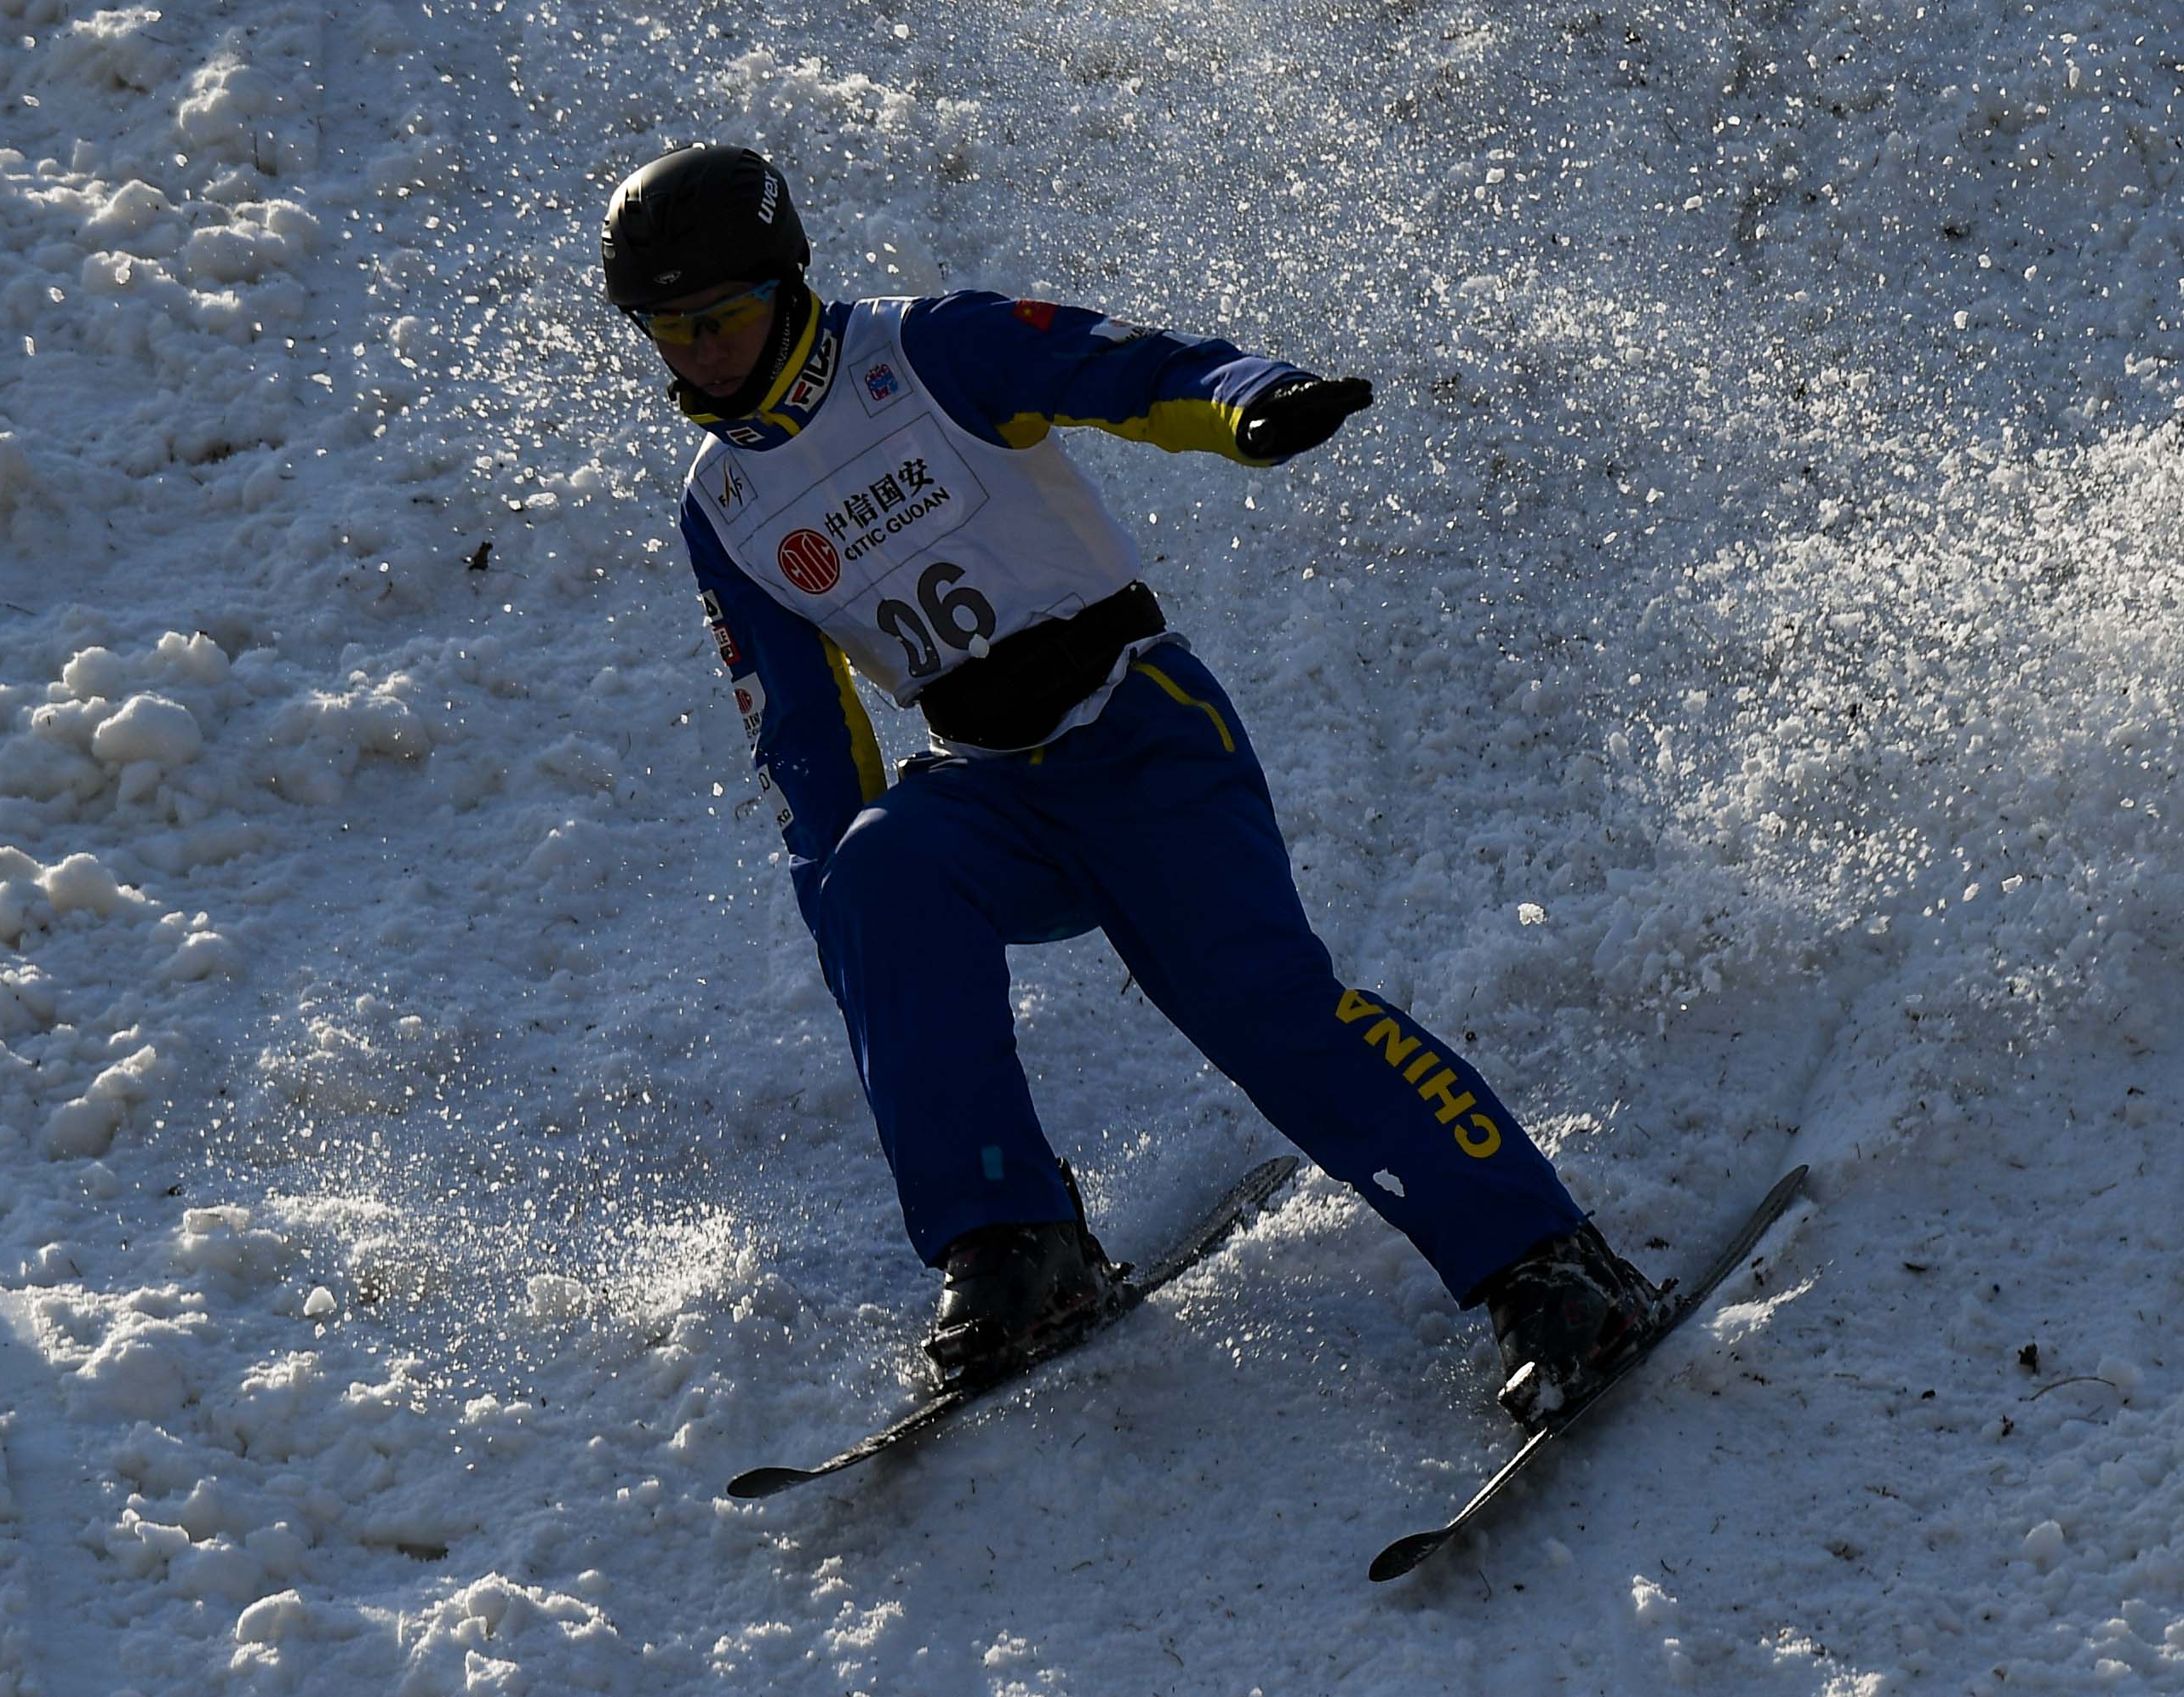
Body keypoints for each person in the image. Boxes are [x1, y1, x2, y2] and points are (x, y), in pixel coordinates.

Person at [607, 141, 1657, 1421]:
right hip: (991, 791)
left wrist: (1248, 402)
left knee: (1260, 1006)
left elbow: (1128, 369)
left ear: (788, 282)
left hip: (1138, 734)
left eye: (721, 316)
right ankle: (1015, 1243)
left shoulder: (926, 349)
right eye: (667, 330)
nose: (701, 352)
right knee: (870, 872)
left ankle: (1543, 1262)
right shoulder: (722, 500)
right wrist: (844, 911)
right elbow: (801, 734)